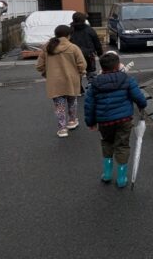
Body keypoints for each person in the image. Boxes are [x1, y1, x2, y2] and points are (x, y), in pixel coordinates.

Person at [85, 51, 147, 188]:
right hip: (124, 120)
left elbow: (89, 104)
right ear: (118, 65)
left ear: (101, 67)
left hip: (104, 121)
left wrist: (91, 122)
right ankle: (121, 178)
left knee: (107, 143)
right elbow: (139, 97)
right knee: (122, 145)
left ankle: (107, 174)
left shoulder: (95, 84)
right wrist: (142, 105)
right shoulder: (127, 79)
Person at [35, 24, 87, 138]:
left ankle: (62, 128)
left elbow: (39, 66)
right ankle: (72, 121)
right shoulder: (73, 48)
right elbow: (82, 65)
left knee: (59, 106)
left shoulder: (47, 47)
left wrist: (47, 73)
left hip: (54, 81)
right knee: (72, 101)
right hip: (71, 80)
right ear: (68, 36)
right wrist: (80, 73)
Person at [69, 11, 102, 82]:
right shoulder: (89, 30)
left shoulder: (70, 30)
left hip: (74, 55)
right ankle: (92, 89)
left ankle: (79, 90)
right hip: (89, 55)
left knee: (76, 75)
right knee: (91, 74)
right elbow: (97, 43)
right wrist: (100, 54)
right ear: (84, 20)